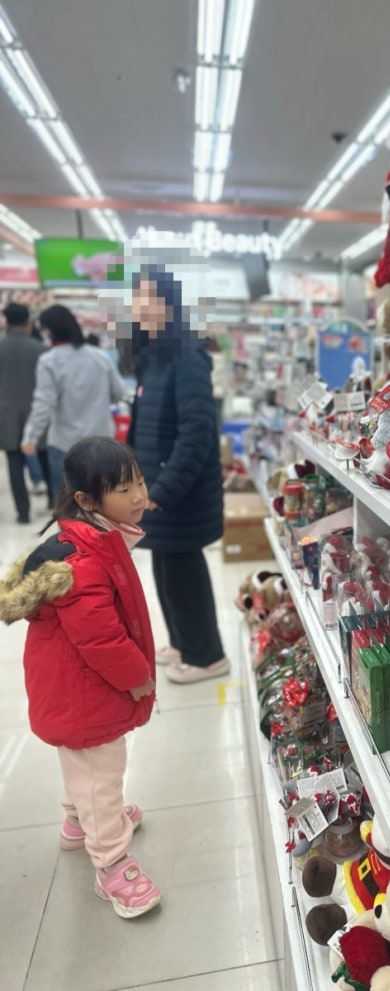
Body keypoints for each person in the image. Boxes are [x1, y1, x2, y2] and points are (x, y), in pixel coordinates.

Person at [0, 437, 160, 919]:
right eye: (124, 489)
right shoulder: (82, 561)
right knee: (99, 774)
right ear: (88, 500)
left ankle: (78, 822)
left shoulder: (87, 538)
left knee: (85, 765)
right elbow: (101, 639)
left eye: (139, 482)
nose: (139, 496)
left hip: (73, 685)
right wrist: (138, 678)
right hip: (86, 690)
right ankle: (111, 864)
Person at [128, 265, 228, 684]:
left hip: (179, 490)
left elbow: (197, 431)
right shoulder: (153, 358)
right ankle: (183, 641)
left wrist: (165, 487)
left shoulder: (187, 357)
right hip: (154, 484)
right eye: (135, 298)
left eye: (148, 298)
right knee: (165, 567)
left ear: (170, 305)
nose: (139, 306)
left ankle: (207, 656)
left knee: (184, 571)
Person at [21, 304, 127, 500]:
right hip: (102, 441)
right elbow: (120, 392)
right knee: (102, 499)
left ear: (50, 331)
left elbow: (44, 403)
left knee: (68, 503)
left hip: (65, 443)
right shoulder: (100, 357)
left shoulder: (49, 361)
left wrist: (31, 437)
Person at [0, 302, 52, 522]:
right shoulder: (41, 350)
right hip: (37, 412)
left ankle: (23, 512)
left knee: (14, 462)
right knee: (45, 456)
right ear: (27, 321)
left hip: (7, 414)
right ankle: (53, 500)